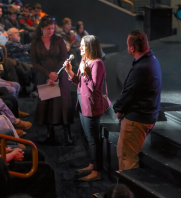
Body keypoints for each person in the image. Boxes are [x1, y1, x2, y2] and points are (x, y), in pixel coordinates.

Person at [113, 30, 162, 170]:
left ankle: (128, 191)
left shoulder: (141, 67)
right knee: (126, 157)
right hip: (146, 116)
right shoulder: (152, 60)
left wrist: (118, 108)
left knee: (127, 160)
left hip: (136, 121)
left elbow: (129, 92)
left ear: (132, 48)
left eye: (128, 45)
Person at [64, 35, 106, 181]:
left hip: (92, 108)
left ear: (90, 47)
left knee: (93, 140)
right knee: (88, 138)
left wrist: (85, 73)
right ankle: (92, 164)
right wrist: (70, 72)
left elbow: (94, 88)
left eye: (83, 45)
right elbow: (81, 84)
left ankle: (97, 171)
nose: (80, 47)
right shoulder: (85, 61)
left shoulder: (97, 63)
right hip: (83, 105)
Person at [31, 16, 74, 145]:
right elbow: (35, 63)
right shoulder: (36, 42)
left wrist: (55, 73)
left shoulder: (59, 40)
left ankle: (67, 134)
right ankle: (50, 134)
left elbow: (64, 58)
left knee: (62, 104)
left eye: (53, 28)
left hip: (60, 75)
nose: (51, 31)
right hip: (45, 76)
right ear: (42, 28)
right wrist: (48, 74)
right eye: (49, 28)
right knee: (48, 105)